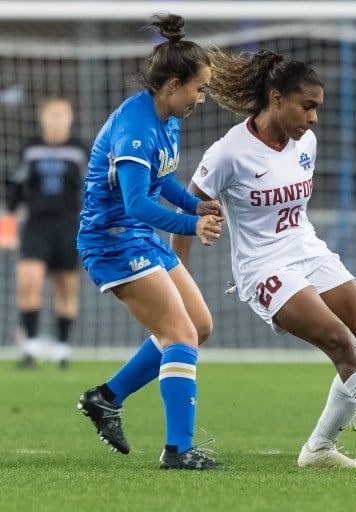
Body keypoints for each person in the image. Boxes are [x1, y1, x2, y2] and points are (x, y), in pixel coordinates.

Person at [170, 48, 356, 468]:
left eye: (318, 107)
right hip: (264, 268)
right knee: (341, 342)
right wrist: (181, 281)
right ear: (276, 99)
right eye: (307, 106)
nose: (314, 117)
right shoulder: (229, 152)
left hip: (308, 249)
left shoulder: (306, 143)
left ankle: (319, 449)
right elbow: (189, 206)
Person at [74, 14, 224, 470]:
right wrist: (190, 227)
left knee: (198, 325)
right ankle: (177, 450)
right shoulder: (135, 126)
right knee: (179, 334)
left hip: (137, 235)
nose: (202, 98)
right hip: (112, 240)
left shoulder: (167, 117)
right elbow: (137, 202)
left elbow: (161, 181)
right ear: (173, 84)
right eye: (199, 89)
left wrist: (192, 205)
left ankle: (106, 397)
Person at [1, 98, 87, 369]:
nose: (57, 120)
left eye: (62, 115)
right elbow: (15, 189)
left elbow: (91, 190)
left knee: (66, 285)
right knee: (29, 280)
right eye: (52, 115)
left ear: (70, 119)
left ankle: (62, 348)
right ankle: (30, 346)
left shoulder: (79, 150)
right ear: (43, 118)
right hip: (36, 224)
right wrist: (8, 225)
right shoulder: (31, 148)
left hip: (69, 226)